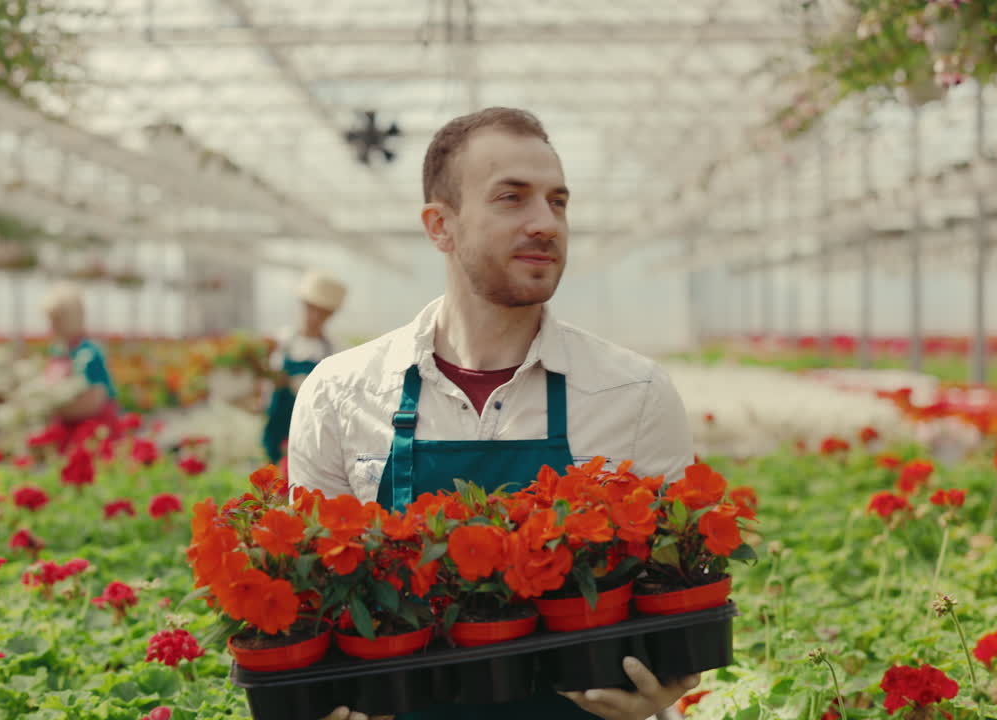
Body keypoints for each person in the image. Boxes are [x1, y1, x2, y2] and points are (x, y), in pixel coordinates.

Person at [288, 108, 699, 720]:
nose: (546, 223)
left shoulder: (634, 394)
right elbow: (311, 604)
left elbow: (678, 600)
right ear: (440, 226)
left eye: (558, 202)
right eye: (512, 198)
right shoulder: (340, 393)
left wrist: (667, 683)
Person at [260, 269, 346, 465]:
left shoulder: (336, 351)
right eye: (310, 308)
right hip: (277, 430)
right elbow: (261, 389)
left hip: (313, 436)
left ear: (330, 314)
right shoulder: (279, 343)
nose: (314, 316)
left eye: (321, 311)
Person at [42, 283, 121, 449]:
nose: (52, 326)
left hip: (91, 430)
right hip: (67, 427)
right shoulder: (58, 350)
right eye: (51, 320)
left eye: (56, 320)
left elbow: (95, 400)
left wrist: (56, 409)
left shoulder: (89, 352)